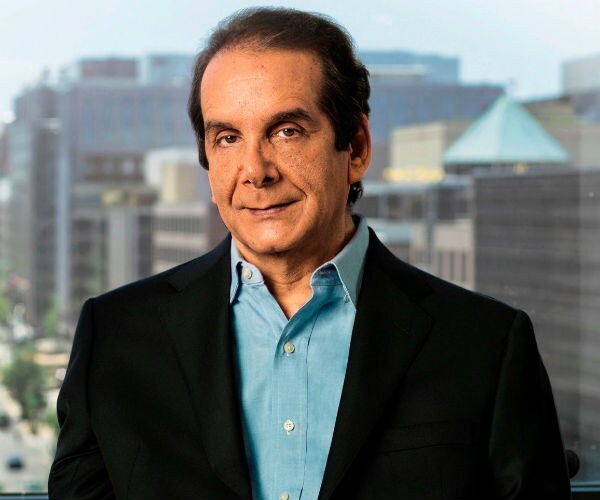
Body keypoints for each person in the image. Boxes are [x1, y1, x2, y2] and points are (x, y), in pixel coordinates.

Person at [48, 7, 572, 499]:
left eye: (287, 131)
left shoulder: (485, 346)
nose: (256, 170)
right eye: (227, 138)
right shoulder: (115, 338)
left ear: (356, 147)